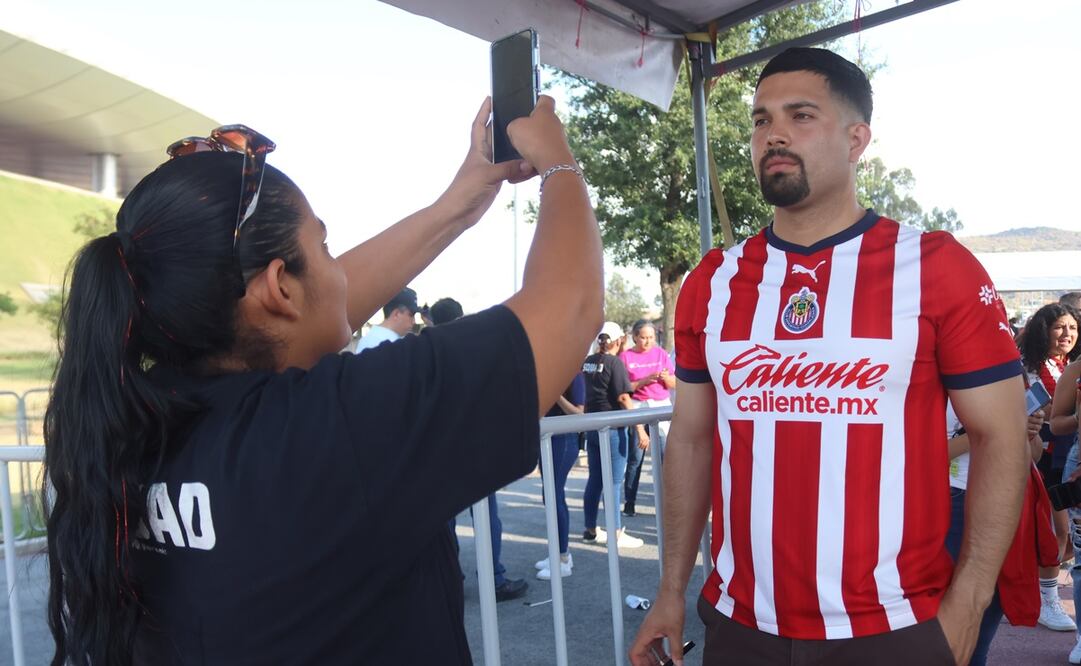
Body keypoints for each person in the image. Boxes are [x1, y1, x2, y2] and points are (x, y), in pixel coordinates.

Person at [42, 95, 603, 665]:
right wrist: (558, 163)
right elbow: (571, 304)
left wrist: (457, 207)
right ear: (279, 287)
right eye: (325, 245)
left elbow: (299, 316)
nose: (340, 269)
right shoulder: (335, 429)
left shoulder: (127, 427)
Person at [630, 47, 1028, 666]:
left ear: (856, 138)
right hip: (742, 628)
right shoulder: (713, 282)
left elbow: (1001, 437)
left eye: (801, 115)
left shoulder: (935, 267)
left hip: (894, 627)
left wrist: (969, 605)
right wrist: (669, 591)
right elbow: (689, 440)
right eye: (761, 120)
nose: (774, 133)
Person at [431, 296, 529, 601]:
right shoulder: (473, 349)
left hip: (440, 449)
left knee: (444, 519)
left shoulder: (426, 352)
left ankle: (450, 578)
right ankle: (493, 579)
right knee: (486, 516)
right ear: (461, 318)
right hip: (474, 445)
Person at [945, 400, 1051, 666]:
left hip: (1006, 502)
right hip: (953, 500)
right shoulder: (936, 382)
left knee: (984, 616)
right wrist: (995, 429)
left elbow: (1034, 457)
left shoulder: (1010, 378)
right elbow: (925, 454)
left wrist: (1028, 433)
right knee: (947, 618)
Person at [1019, 301, 1080, 631]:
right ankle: (1047, 600)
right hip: (1040, 458)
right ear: (1044, 331)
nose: (1067, 334)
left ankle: (1041, 592)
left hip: (1064, 457)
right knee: (1054, 533)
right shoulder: (1026, 368)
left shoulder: (1067, 366)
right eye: (1059, 327)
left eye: (1072, 327)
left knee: (1066, 537)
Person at [581, 321, 648, 549]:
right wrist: (639, 428)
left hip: (592, 427)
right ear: (618, 340)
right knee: (613, 483)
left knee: (595, 480)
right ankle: (616, 532)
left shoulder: (588, 362)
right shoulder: (614, 363)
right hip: (612, 428)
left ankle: (590, 529)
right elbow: (623, 397)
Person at [619, 319, 675, 517]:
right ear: (635, 337)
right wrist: (645, 380)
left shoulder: (661, 353)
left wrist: (666, 378)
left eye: (650, 337)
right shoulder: (626, 357)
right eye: (643, 337)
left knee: (664, 457)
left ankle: (666, 502)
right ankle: (630, 502)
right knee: (636, 457)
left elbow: (674, 383)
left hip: (660, 406)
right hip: (638, 407)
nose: (647, 341)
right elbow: (624, 389)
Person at [535, 371, 586, 580]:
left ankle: (563, 558)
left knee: (554, 496)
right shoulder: (548, 372)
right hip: (547, 439)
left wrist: (556, 394)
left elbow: (579, 414)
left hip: (563, 441)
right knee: (551, 496)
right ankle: (559, 553)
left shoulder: (574, 375)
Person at [352, 286, 419, 352]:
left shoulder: (376, 339)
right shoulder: (380, 344)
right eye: (411, 315)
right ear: (397, 314)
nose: (414, 322)